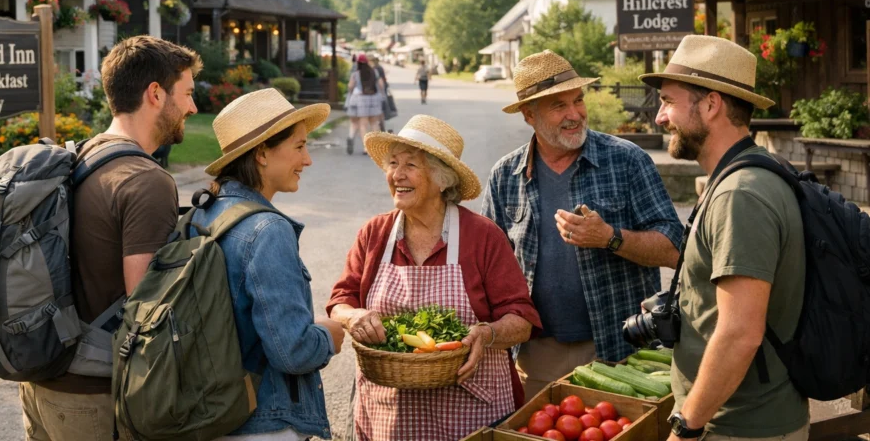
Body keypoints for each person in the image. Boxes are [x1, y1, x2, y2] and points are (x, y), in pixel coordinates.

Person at [21, 36, 201, 441]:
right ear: (155, 94)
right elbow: (148, 310)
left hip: (42, 385)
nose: (192, 107)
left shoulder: (80, 156)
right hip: (93, 398)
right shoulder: (146, 181)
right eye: (188, 93)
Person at [482, 50, 684, 400]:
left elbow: (675, 249)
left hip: (622, 353)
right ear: (529, 114)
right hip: (537, 355)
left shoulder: (626, 160)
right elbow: (486, 269)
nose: (575, 114)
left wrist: (610, 238)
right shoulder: (505, 176)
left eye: (578, 100)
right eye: (559, 106)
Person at [328, 115, 540, 441]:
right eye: (393, 163)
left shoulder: (482, 236)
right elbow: (341, 300)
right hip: (390, 412)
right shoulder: (375, 233)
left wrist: (487, 333)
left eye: (410, 165)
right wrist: (352, 315)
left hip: (470, 408)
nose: (397, 174)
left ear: (442, 179)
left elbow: (521, 319)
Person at [639, 36, 808, 441]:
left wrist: (687, 426)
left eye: (668, 101)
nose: (660, 117)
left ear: (711, 104)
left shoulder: (740, 195)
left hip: (740, 427)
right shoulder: (745, 174)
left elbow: (740, 334)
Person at [192, 88, 345, 441]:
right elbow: (292, 351)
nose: (308, 160)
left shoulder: (202, 213)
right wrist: (328, 335)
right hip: (265, 423)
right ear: (261, 153)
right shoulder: (268, 230)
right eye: (299, 146)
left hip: (212, 413)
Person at [346, 54, 385, 155]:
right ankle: (375, 146)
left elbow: (350, 86)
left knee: (363, 125)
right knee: (374, 123)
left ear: (358, 63)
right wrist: (382, 94)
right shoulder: (374, 72)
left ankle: (366, 148)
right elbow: (381, 84)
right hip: (374, 99)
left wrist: (351, 92)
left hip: (361, 100)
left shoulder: (356, 74)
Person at [370, 55, 393, 131]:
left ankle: (380, 126)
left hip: (378, 91)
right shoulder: (379, 67)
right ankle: (381, 126)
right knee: (381, 110)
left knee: (379, 110)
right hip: (381, 90)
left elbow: (380, 81)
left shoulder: (375, 69)